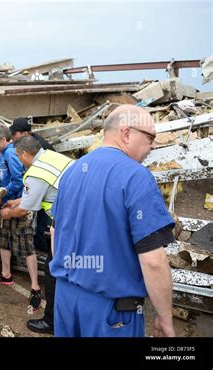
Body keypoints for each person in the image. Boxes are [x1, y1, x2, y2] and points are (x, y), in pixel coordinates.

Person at [50, 105, 176, 337]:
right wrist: (165, 318)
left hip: (66, 300)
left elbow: (55, 231)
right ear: (126, 133)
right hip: (111, 312)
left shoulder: (73, 170)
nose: (153, 145)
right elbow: (153, 261)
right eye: (150, 137)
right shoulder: (136, 176)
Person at [0, 136, 74, 334]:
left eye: (18, 156)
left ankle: (52, 321)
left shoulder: (36, 174)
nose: (17, 159)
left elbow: (26, 209)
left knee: (53, 272)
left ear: (25, 154)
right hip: (82, 216)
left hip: (68, 224)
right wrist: (16, 202)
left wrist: (7, 212)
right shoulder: (51, 157)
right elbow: (40, 193)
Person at [0, 124, 43, 311]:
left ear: (4, 140)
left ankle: (35, 287)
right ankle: (6, 274)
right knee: (2, 239)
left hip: (18, 204)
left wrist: (2, 193)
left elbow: (18, 181)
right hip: (6, 204)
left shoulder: (10, 154)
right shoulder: (2, 153)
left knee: (26, 245)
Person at [10, 117, 54, 254]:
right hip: (47, 193)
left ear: (24, 134)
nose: (12, 138)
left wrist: (9, 212)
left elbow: (37, 181)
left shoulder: (39, 147)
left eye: (14, 134)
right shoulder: (32, 143)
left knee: (39, 229)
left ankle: (43, 255)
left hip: (49, 197)